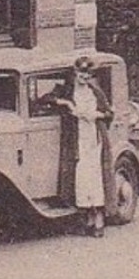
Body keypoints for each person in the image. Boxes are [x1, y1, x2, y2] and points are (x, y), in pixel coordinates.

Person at [53, 55, 114, 236]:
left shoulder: (95, 92)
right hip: (77, 139)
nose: (84, 79)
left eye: (87, 76)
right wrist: (66, 103)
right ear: (75, 74)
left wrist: (97, 115)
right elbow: (48, 98)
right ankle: (87, 216)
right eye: (81, 75)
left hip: (94, 138)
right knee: (81, 176)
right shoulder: (68, 91)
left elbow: (108, 113)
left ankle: (99, 218)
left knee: (94, 176)